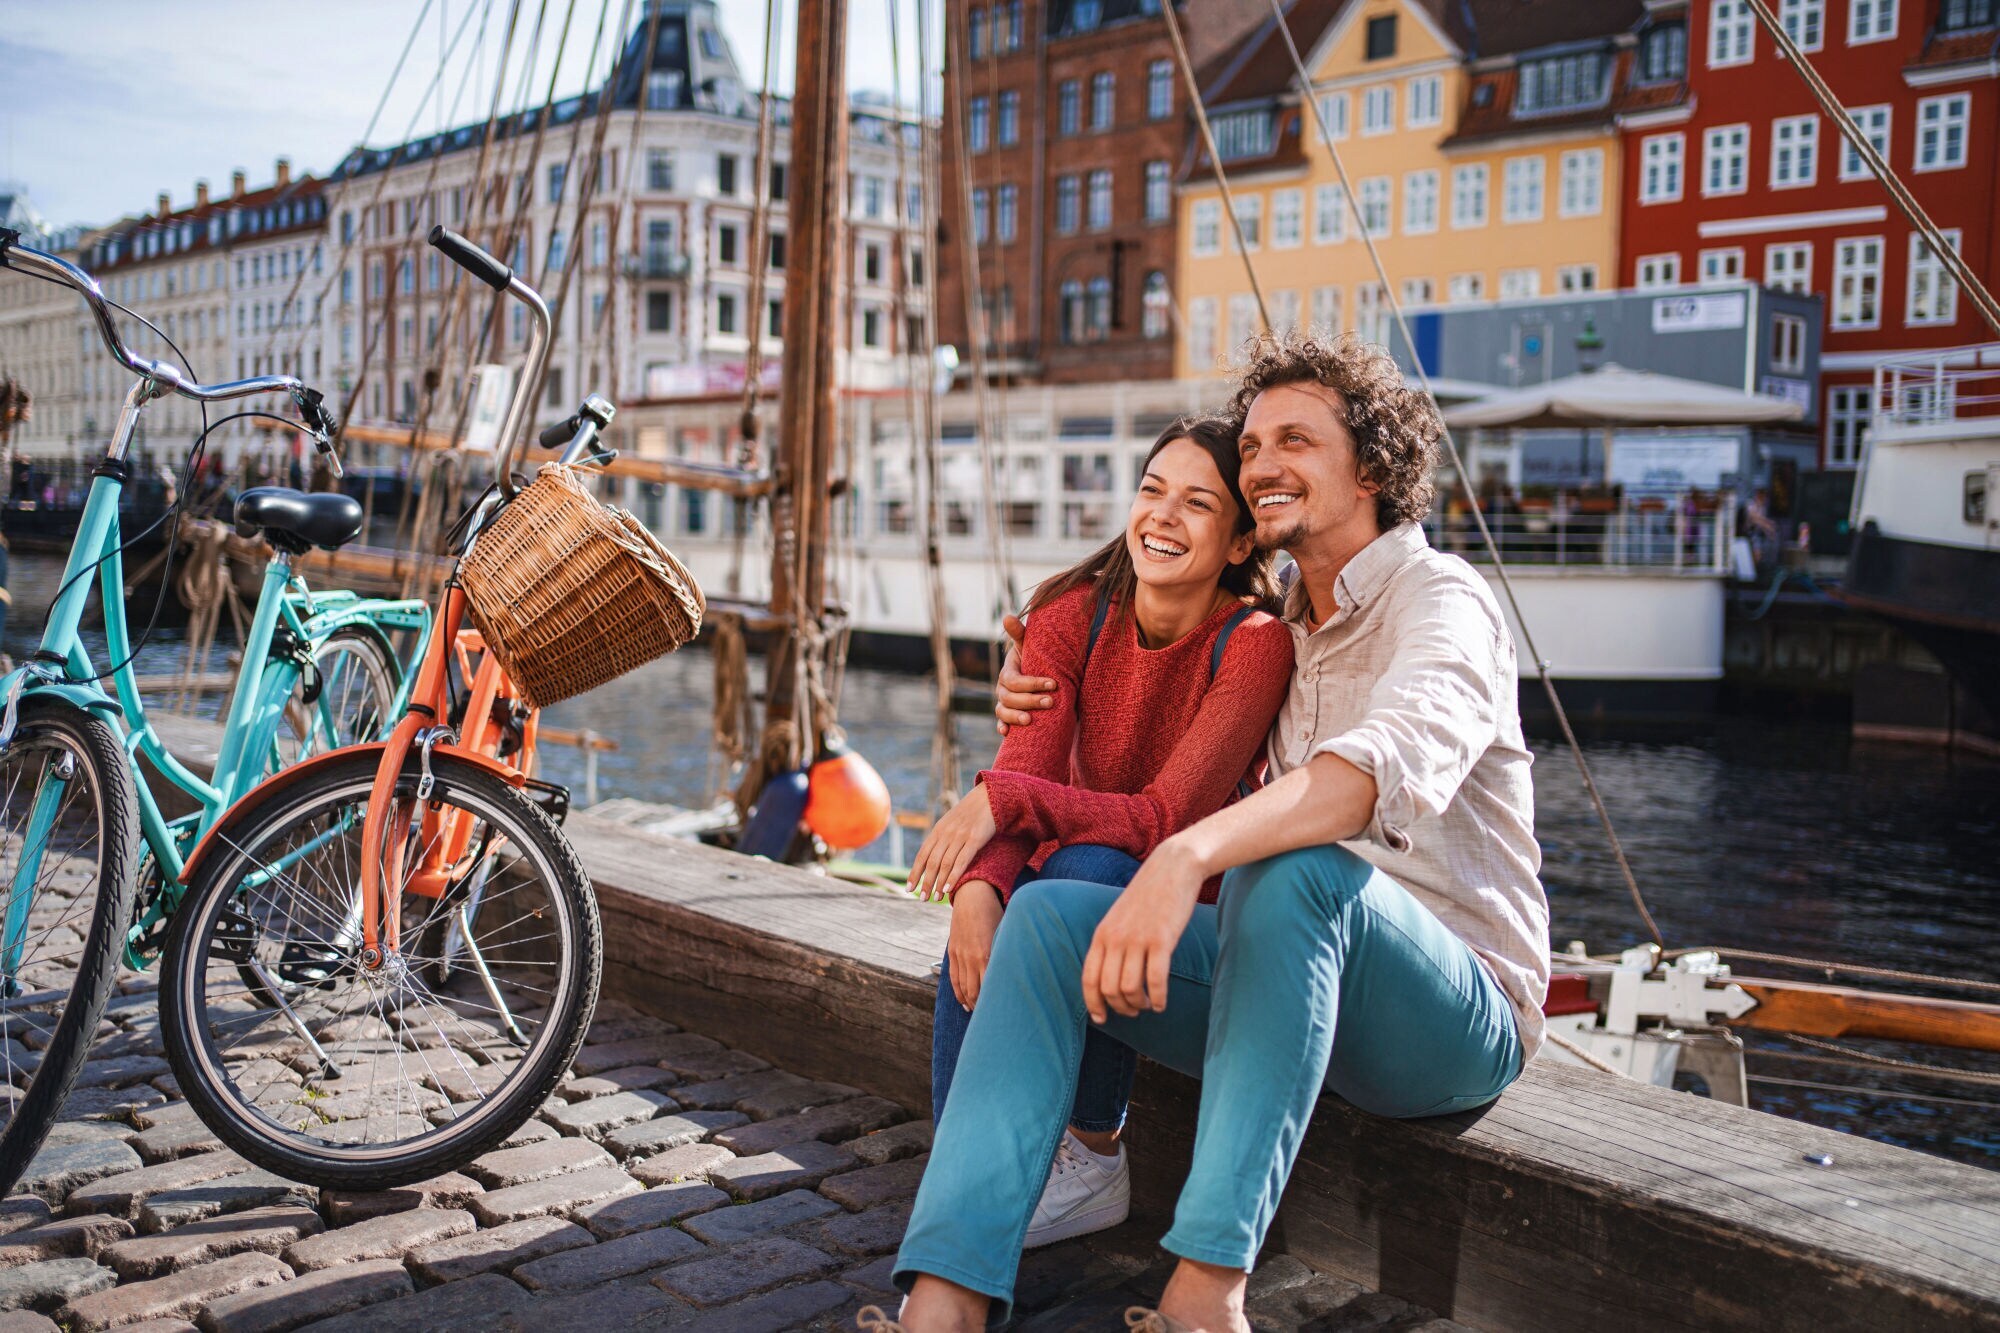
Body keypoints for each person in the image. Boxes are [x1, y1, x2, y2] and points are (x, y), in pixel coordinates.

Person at [877, 332, 1550, 1333]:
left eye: (1295, 440)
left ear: (1368, 464)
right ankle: (946, 1295)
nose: (1260, 463)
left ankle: (1204, 1298)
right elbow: (1147, 681)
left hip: (1453, 1020)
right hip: (1288, 993)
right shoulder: (1284, 630)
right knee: (1056, 915)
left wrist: (1185, 853)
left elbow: (1379, 768)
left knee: (1290, 871)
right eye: (1252, 446)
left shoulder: (1441, 601)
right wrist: (1032, 692)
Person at [906, 414, 1293, 1250]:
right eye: (1152, 491)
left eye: (1197, 502)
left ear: (1236, 542)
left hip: (1181, 907)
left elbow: (1162, 819)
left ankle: (1089, 1152)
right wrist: (978, 886)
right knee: (1030, 889)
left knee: (1091, 861)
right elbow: (1032, 770)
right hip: (1065, 873)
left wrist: (1001, 806)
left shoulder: (1253, 644)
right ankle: (965, 1172)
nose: (1162, 515)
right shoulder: (1067, 613)